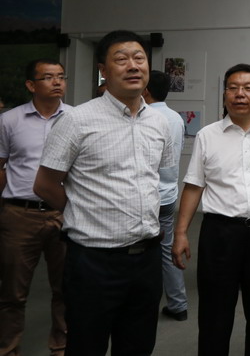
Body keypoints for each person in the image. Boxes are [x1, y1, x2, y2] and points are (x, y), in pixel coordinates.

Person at [34, 30, 177, 355]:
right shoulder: (77, 120)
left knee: (138, 346)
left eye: (139, 58)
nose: (133, 66)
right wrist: (83, 210)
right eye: (121, 59)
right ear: (103, 69)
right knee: (87, 345)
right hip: (93, 262)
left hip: (146, 259)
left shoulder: (159, 123)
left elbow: (154, 177)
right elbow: (44, 184)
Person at [172, 64, 250, 356]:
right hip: (220, 234)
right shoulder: (207, 135)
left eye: (248, 88)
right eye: (232, 88)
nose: (239, 94)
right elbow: (193, 186)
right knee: (215, 314)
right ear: (224, 94)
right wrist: (180, 233)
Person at [0, 59, 70, 356]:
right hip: (20, 214)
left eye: (61, 77)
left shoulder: (76, 119)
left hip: (64, 214)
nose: (57, 82)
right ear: (31, 85)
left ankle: (61, 347)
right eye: (48, 77)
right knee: (12, 292)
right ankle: (8, 348)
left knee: (65, 288)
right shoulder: (9, 120)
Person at [142, 70, 188, 322]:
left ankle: (141, 304)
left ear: (146, 90)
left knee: (140, 252)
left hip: (146, 196)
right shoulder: (176, 118)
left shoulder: (145, 116)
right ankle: (178, 303)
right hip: (168, 193)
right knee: (168, 249)